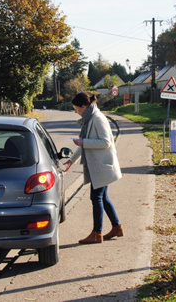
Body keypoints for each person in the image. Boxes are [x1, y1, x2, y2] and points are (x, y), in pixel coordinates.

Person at [63, 92, 124, 244]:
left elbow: (105, 142)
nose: (75, 111)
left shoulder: (97, 118)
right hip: (99, 165)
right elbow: (84, 142)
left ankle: (97, 233)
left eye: (76, 108)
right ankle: (117, 227)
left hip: (103, 165)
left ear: (84, 106)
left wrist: (84, 142)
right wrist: (71, 160)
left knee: (96, 197)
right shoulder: (89, 118)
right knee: (102, 197)